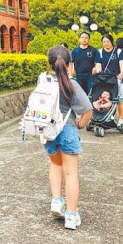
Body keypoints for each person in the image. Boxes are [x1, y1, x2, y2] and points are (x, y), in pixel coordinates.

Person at [41, 46, 95, 230]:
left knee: (56, 165)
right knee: (71, 173)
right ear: (69, 64)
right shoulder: (71, 84)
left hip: (49, 131)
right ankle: (71, 216)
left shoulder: (43, 81)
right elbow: (88, 109)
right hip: (68, 130)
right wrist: (81, 124)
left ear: (49, 63)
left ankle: (57, 201)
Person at [95, 33, 123, 127]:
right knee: (106, 98)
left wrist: (121, 73)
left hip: (117, 79)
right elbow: (98, 65)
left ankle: (121, 119)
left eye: (108, 41)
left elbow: (122, 64)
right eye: (104, 42)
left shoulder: (118, 51)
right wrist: (99, 73)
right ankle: (108, 117)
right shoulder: (100, 52)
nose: (106, 43)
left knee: (120, 100)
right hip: (104, 80)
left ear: (112, 42)